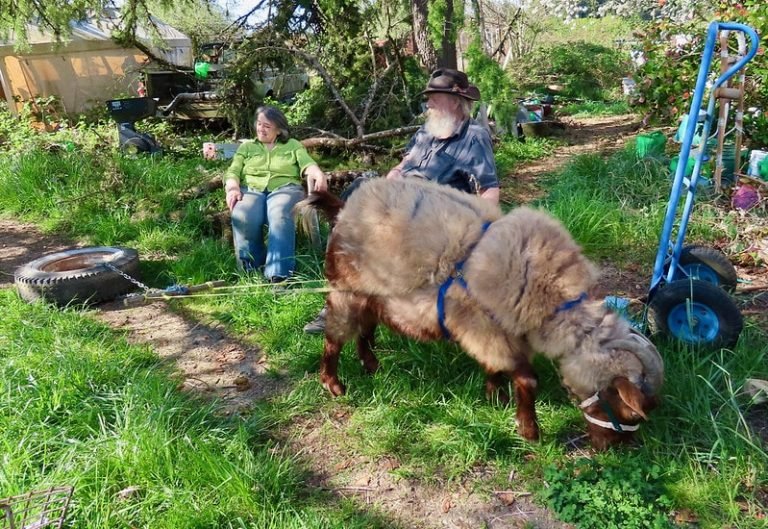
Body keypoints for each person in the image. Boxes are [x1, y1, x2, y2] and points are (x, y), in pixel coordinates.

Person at [303, 68, 498, 332]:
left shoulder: (473, 136)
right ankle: (342, 299)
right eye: (427, 97)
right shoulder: (428, 129)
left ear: (455, 101)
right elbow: (406, 160)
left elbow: (489, 189)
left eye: (433, 97)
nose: (427, 103)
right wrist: (393, 175)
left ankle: (344, 306)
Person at [224, 105, 327, 282]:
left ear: (279, 130)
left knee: (279, 214)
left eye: (267, 126)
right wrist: (232, 187)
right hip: (252, 190)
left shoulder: (293, 145)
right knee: (243, 215)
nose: (261, 129)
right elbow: (233, 171)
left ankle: (278, 274)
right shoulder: (247, 147)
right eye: (259, 124)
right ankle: (251, 270)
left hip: (285, 188)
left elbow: (307, 164)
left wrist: (317, 173)